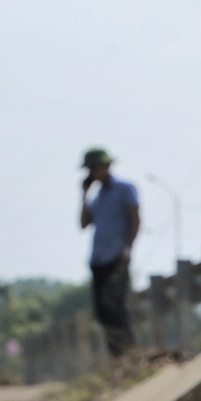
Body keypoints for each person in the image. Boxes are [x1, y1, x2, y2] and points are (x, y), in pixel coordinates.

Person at [79, 147, 140, 356]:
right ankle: (116, 357)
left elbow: (135, 218)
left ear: (105, 167)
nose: (92, 173)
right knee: (102, 312)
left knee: (116, 308)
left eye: (94, 168)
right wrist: (84, 195)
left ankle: (128, 355)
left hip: (116, 257)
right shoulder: (97, 197)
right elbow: (84, 223)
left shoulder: (125, 189)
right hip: (98, 260)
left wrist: (128, 248)